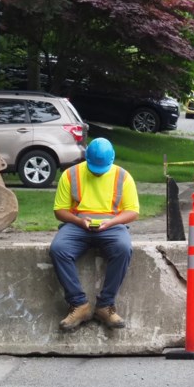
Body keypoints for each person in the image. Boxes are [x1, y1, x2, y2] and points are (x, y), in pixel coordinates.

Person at [49, 137, 139, 332]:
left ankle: (105, 306)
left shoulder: (123, 177)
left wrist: (112, 222)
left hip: (112, 226)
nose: (98, 173)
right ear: (86, 158)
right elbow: (59, 210)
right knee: (59, 249)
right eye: (94, 168)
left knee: (123, 249)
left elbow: (132, 212)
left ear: (112, 159)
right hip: (77, 225)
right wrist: (80, 221)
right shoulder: (70, 174)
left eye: (102, 169)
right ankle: (79, 304)